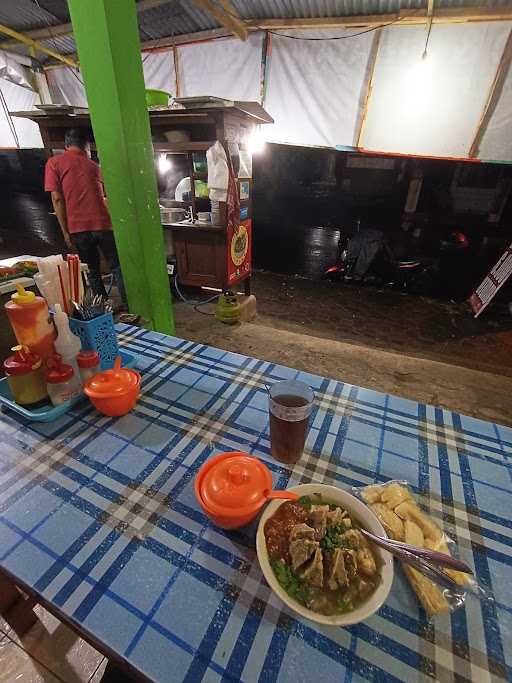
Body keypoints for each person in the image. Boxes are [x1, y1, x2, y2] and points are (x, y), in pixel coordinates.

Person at [44, 128, 126, 305]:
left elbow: (57, 198)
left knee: (92, 270)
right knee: (118, 267)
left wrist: (65, 232)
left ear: (66, 145)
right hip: (104, 224)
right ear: (86, 146)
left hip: (78, 227)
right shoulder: (94, 166)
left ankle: (104, 309)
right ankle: (130, 306)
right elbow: (107, 196)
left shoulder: (54, 163)